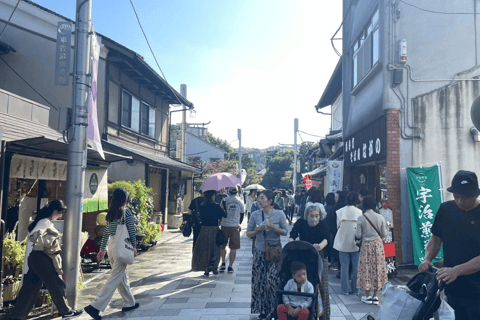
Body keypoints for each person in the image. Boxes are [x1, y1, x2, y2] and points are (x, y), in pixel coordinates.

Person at [418, 170, 480, 319]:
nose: (459, 201)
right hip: (451, 287)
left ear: (475, 195)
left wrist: (457, 270)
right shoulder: (446, 209)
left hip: (476, 290)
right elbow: (436, 239)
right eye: (456, 196)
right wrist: (427, 259)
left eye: (464, 198)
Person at [10, 200, 83, 320]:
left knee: (30, 288)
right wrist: (48, 241)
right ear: (54, 211)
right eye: (60, 213)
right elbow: (33, 235)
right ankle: (66, 312)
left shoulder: (44, 221)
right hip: (43, 258)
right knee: (56, 283)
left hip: (35, 257)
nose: (60, 216)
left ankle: (17, 315)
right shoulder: (45, 222)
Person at [84, 188, 139, 320]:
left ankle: (129, 302)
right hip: (122, 246)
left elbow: (107, 232)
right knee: (115, 278)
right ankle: (95, 307)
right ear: (125, 198)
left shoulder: (111, 213)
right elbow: (131, 230)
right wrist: (135, 246)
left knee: (121, 276)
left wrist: (102, 249)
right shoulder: (126, 212)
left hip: (112, 247)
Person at [247, 190, 288, 320]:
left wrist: (275, 229)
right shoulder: (255, 215)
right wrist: (257, 230)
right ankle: (262, 310)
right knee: (259, 281)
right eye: (259, 198)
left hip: (274, 252)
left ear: (270, 201)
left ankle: (274, 308)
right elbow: (248, 233)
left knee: (271, 280)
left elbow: (285, 232)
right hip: (259, 251)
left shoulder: (279, 214)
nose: (259, 200)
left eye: (262, 198)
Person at [289, 203, 330, 319]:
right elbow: (293, 234)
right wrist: (291, 242)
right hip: (304, 256)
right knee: (304, 284)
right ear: (306, 215)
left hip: (319, 257)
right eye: (311, 215)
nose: (314, 218)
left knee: (323, 287)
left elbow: (327, 238)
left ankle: (325, 316)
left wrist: (320, 246)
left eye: (317, 215)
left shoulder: (323, 224)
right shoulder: (301, 223)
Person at [356, 195, 388, 305]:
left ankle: (367, 296)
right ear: (374, 205)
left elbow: (358, 235)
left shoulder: (361, 218)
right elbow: (384, 234)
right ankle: (376, 296)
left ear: (364, 205)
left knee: (366, 269)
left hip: (366, 245)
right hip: (378, 245)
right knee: (377, 269)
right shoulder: (380, 217)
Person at [192, 190, 227, 277]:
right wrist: (224, 204)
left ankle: (206, 270)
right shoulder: (216, 205)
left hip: (204, 229)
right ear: (212, 196)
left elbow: (200, 216)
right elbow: (224, 215)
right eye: (214, 195)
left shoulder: (202, 206)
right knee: (215, 248)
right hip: (214, 229)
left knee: (206, 249)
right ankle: (213, 265)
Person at [333, 192, 362, 296]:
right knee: (356, 267)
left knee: (344, 268)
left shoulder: (340, 212)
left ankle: (345, 290)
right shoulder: (359, 212)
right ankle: (355, 289)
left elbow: (338, 226)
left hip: (343, 241)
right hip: (355, 242)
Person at [219, 187, 244, 273]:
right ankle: (230, 266)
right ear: (237, 192)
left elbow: (220, 212)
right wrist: (238, 223)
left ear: (228, 192)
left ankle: (222, 263)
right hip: (235, 226)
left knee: (222, 246)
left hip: (224, 225)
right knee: (233, 247)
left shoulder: (224, 200)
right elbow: (242, 214)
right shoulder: (240, 201)